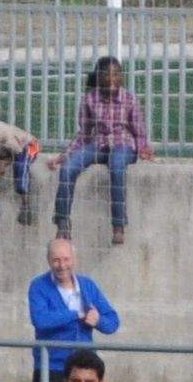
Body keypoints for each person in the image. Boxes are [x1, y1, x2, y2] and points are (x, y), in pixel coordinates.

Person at [50, 56, 153, 245]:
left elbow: (139, 133)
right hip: (98, 145)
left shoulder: (129, 99)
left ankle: (118, 225)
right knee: (68, 169)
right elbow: (84, 133)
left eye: (117, 74)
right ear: (99, 77)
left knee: (116, 166)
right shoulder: (90, 99)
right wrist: (65, 155)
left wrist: (143, 149)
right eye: (107, 75)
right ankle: (63, 222)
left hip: (123, 145)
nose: (112, 79)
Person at [26, 236, 120, 382]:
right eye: (56, 260)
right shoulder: (39, 286)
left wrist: (98, 320)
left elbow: (112, 323)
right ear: (48, 261)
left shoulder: (88, 285)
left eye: (66, 259)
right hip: (52, 368)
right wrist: (75, 314)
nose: (62, 265)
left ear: (74, 259)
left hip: (85, 370)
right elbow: (40, 320)